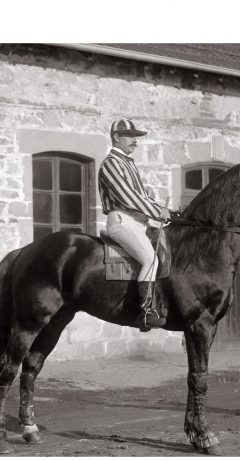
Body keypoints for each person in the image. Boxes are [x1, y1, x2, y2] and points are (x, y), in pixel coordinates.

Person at [98, 119, 171, 329]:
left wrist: (170, 212)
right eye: (130, 136)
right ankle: (146, 312)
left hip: (139, 221)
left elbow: (143, 198)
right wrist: (160, 212)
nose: (135, 141)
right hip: (122, 221)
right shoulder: (111, 164)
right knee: (150, 259)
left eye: (136, 137)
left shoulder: (129, 164)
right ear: (116, 137)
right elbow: (129, 199)